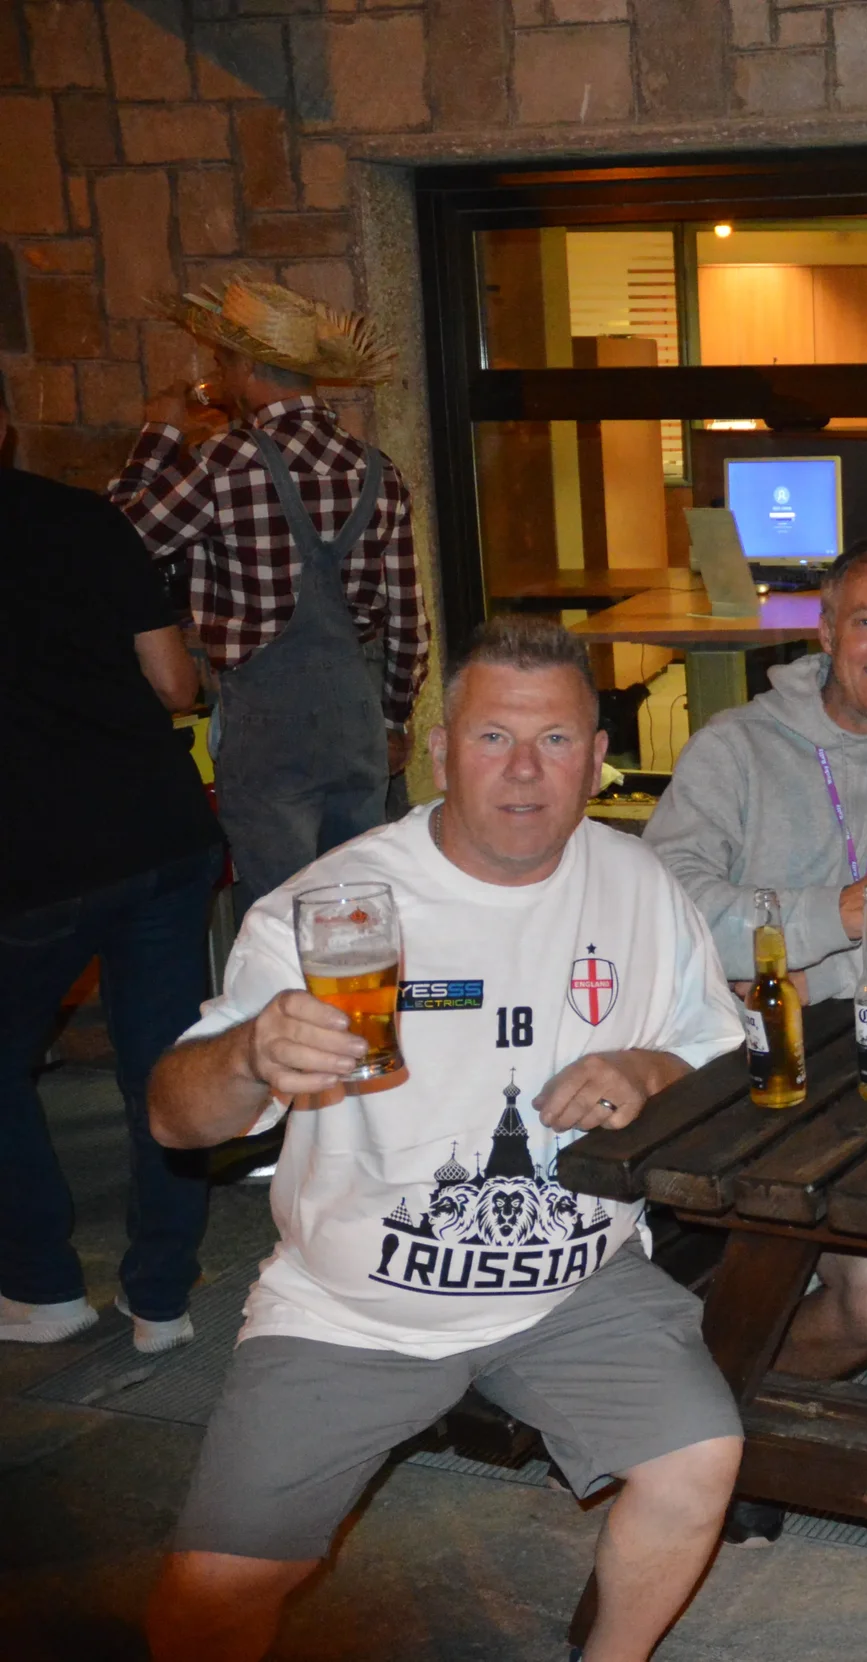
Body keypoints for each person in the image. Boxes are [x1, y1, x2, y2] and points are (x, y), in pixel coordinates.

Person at [143, 617, 748, 1662]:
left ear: (600, 760)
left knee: (702, 1458)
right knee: (207, 1603)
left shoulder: (640, 884)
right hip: (356, 1306)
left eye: (556, 741)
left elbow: (722, 1054)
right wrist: (249, 1053)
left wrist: (650, 1071)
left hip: (574, 1285)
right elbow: (169, 1117)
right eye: (491, 739)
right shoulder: (324, 911)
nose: (524, 772)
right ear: (438, 751)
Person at [646, 532, 867, 1389]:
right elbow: (668, 910)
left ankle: (717, 1405)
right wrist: (834, 913)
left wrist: (822, 970)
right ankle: (695, 1410)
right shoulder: (734, 747)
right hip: (743, 1067)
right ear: (823, 629)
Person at [0, 403, 225, 1355]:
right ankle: (162, 1302)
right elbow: (176, 684)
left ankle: (42, 1285)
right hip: (157, 832)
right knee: (164, 1070)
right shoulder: (88, 518)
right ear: (7, 423)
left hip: (29, 860)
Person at [109, 279, 429, 923]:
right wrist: (393, 718)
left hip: (269, 725)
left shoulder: (227, 461)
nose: (218, 374)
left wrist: (159, 434)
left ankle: (285, 1021)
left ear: (249, 368)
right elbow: (409, 619)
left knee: (283, 917)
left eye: (224, 360)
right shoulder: (377, 468)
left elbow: (117, 542)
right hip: (357, 719)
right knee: (361, 908)